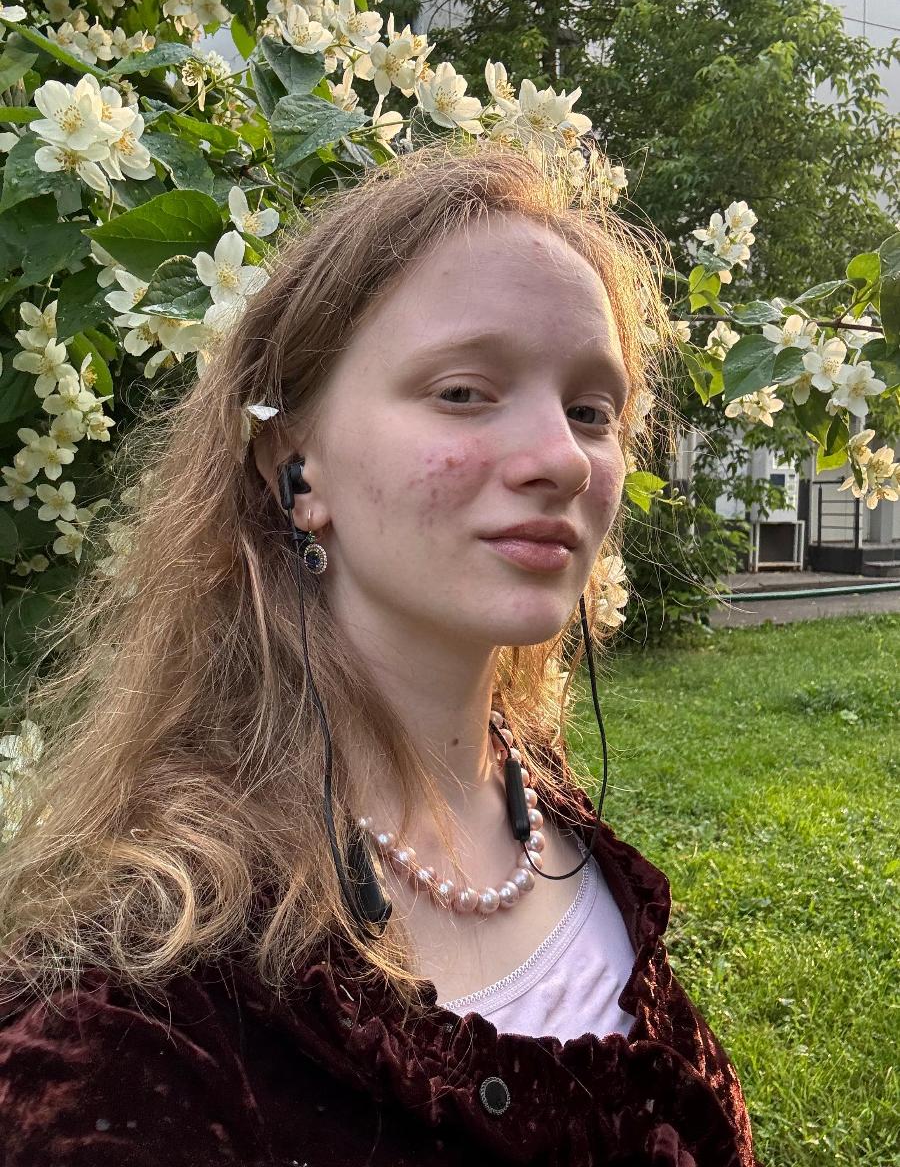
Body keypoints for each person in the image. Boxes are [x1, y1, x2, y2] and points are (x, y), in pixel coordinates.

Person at [0, 138, 760, 1165]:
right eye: (464, 391)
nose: (564, 460)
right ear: (296, 465)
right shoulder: (132, 1026)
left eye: (592, 412)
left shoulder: (535, 799)